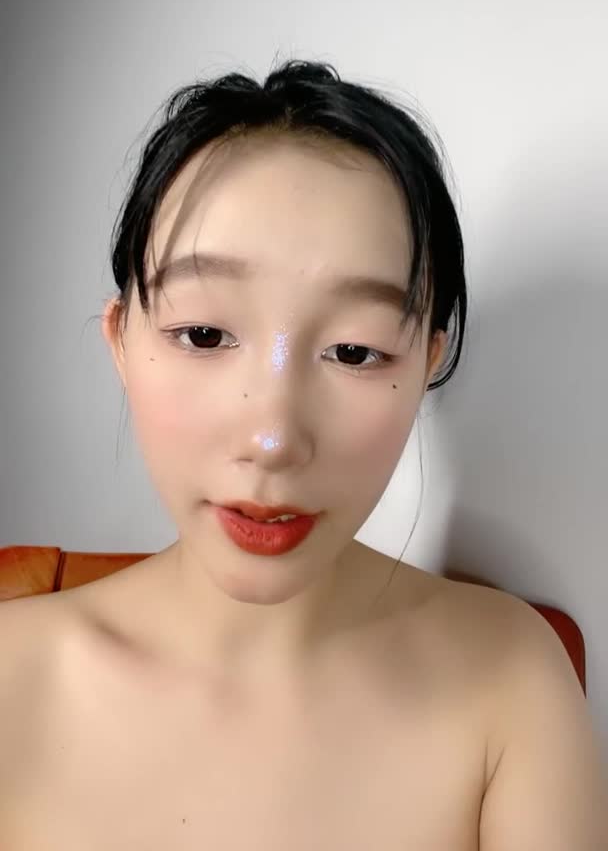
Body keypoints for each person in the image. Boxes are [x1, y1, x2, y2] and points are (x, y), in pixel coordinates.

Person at [0, 60, 605, 848]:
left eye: (354, 352)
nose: (274, 438)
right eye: (205, 334)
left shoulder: (511, 680)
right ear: (121, 340)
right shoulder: (14, 679)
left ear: (427, 362)